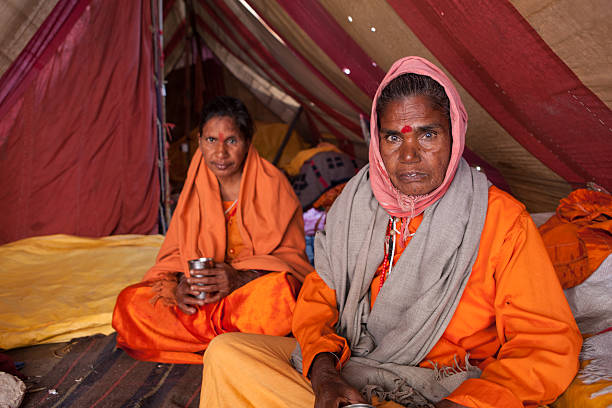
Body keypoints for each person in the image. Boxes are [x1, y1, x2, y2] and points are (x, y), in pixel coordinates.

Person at [199, 57, 582, 407]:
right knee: (226, 352)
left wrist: (467, 404)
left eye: (428, 135)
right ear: (377, 142)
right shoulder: (355, 200)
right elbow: (318, 301)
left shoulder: (500, 220)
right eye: (394, 137)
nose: (409, 155)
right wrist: (324, 374)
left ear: (455, 135)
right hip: (348, 372)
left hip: (437, 388)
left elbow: (544, 345)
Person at [112, 96, 312, 364]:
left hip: (246, 297)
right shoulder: (194, 187)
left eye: (231, 141)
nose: (220, 153)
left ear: (247, 142)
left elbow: (292, 262)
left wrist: (239, 279)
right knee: (130, 303)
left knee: (281, 295)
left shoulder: (273, 185)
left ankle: (196, 342)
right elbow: (174, 255)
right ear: (199, 142)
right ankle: (229, 344)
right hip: (200, 304)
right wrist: (179, 286)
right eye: (210, 140)